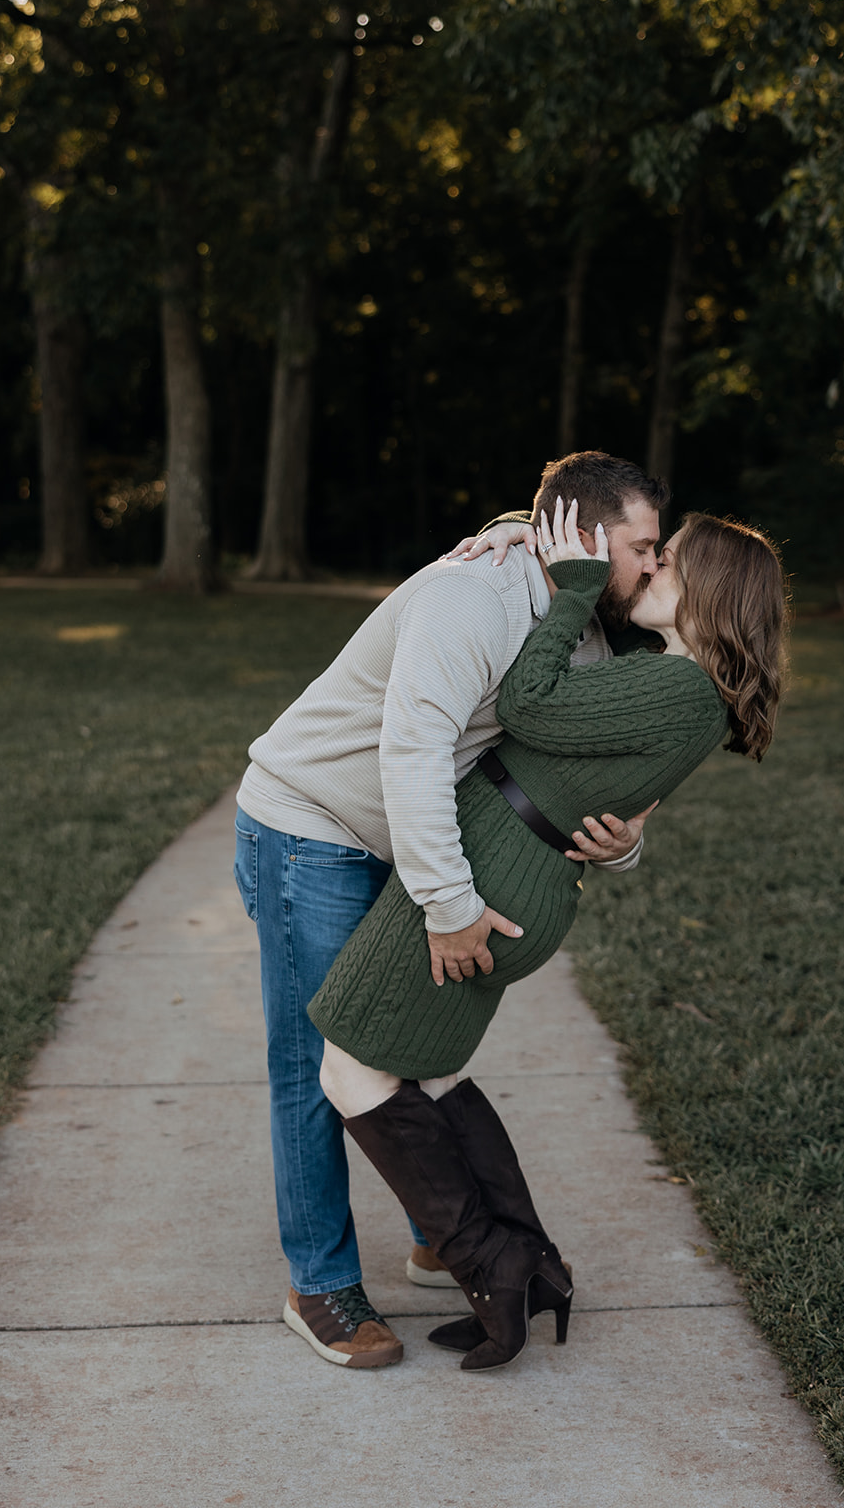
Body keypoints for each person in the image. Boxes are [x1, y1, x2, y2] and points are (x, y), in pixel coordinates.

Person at [313, 498, 788, 1372]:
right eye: (649, 552)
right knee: (434, 1070)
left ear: (710, 591)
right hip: (519, 870)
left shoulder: (680, 686)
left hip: (494, 878)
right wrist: (513, 530)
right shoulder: (679, 681)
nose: (648, 569)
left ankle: (487, 1264)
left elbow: (531, 706)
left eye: (668, 560)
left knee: (346, 1068)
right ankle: (530, 1264)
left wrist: (570, 590)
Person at [233, 452, 669, 1368]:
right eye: (643, 547)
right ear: (584, 536)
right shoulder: (470, 597)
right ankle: (319, 1285)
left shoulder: (583, 626)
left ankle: (438, 1226)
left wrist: (621, 842)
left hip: (400, 837)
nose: (653, 566)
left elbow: (588, 770)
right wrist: (448, 904)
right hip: (310, 822)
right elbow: (414, 753)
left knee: (410, 1044)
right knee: (318, 1056)